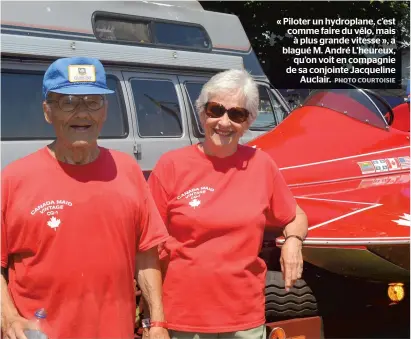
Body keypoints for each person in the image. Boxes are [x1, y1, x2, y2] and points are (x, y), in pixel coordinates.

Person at [1, 57, 170, 339]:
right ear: (47, 111)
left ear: (105, 111)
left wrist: (158, 323)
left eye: (93, 102)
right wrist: (8, 319)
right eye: (68, 102)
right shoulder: (14, 179)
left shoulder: (127, 170)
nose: (82, 113)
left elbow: (146, 253)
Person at [148, 69, 308, 338]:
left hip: (244, 317)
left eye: (237, 114)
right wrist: (155, 319)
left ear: (248, 122)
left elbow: (295, 216)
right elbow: (148, 244)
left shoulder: (261, 165)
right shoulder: (171, 166)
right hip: (183, 317)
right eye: (216, 110)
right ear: (202, 113)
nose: (224, 122)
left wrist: (293, 241)